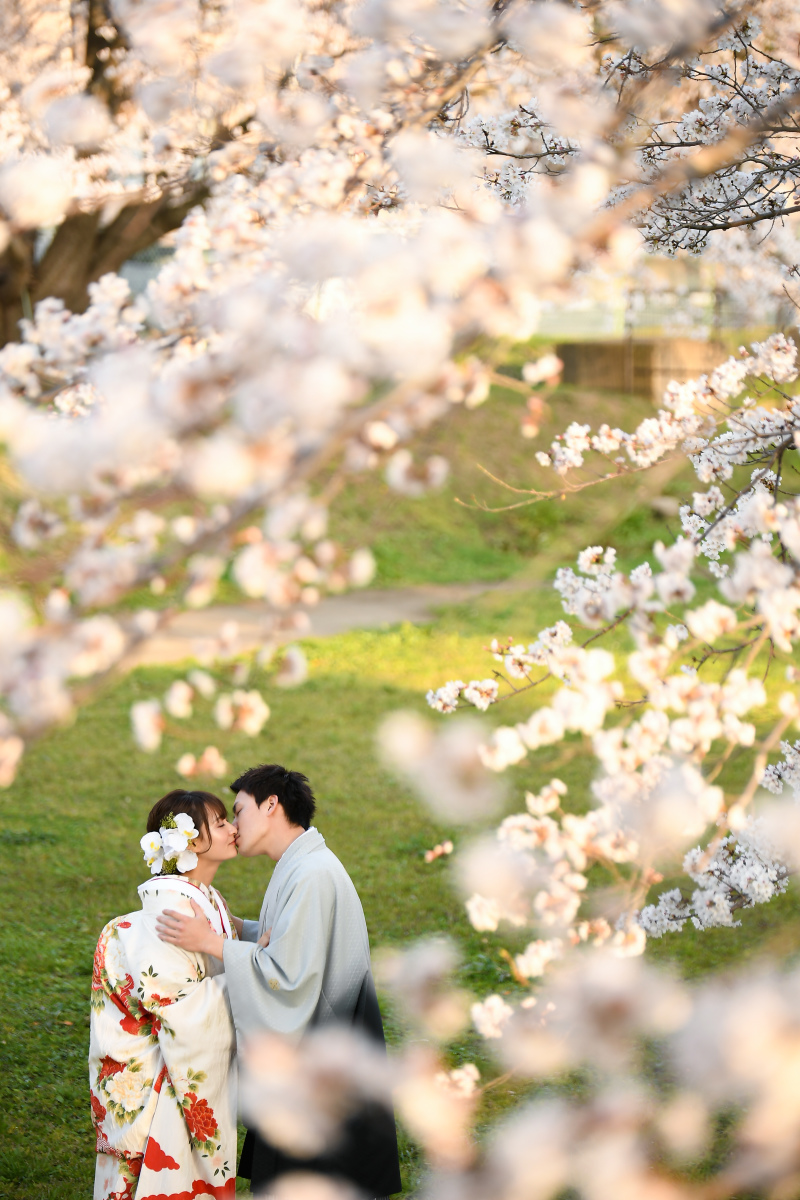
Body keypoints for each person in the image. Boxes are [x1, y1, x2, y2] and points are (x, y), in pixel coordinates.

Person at [156, 763, 402, 1198]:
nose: (233, 826)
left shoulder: (311, 874)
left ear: (271, 805)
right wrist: (238, 929)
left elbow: (287, 979)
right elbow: (293, 942)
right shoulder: (303, 864)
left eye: (239, 810)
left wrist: (213, 943)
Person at [89, 789, 239, 1200]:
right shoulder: (170, 909)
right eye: (222, 822)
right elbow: (180, 1012)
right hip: (164, 1076)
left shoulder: (204, 898)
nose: (233, 828)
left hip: (175, 1065)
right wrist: (254, 974)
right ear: (190, 842)